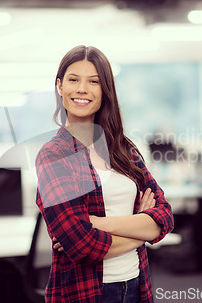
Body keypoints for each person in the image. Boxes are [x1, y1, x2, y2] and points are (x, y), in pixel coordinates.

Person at [35, 45, 174, 303]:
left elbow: (164, 216)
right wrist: (142, 228)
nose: (82, 89)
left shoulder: (123, 149)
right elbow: (81, 245)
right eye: (73, 80)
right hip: (85, 292)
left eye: (94, 81)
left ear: (105, 90)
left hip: (136, 285)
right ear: (59, 86)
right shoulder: (53, 156)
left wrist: (96, 223)